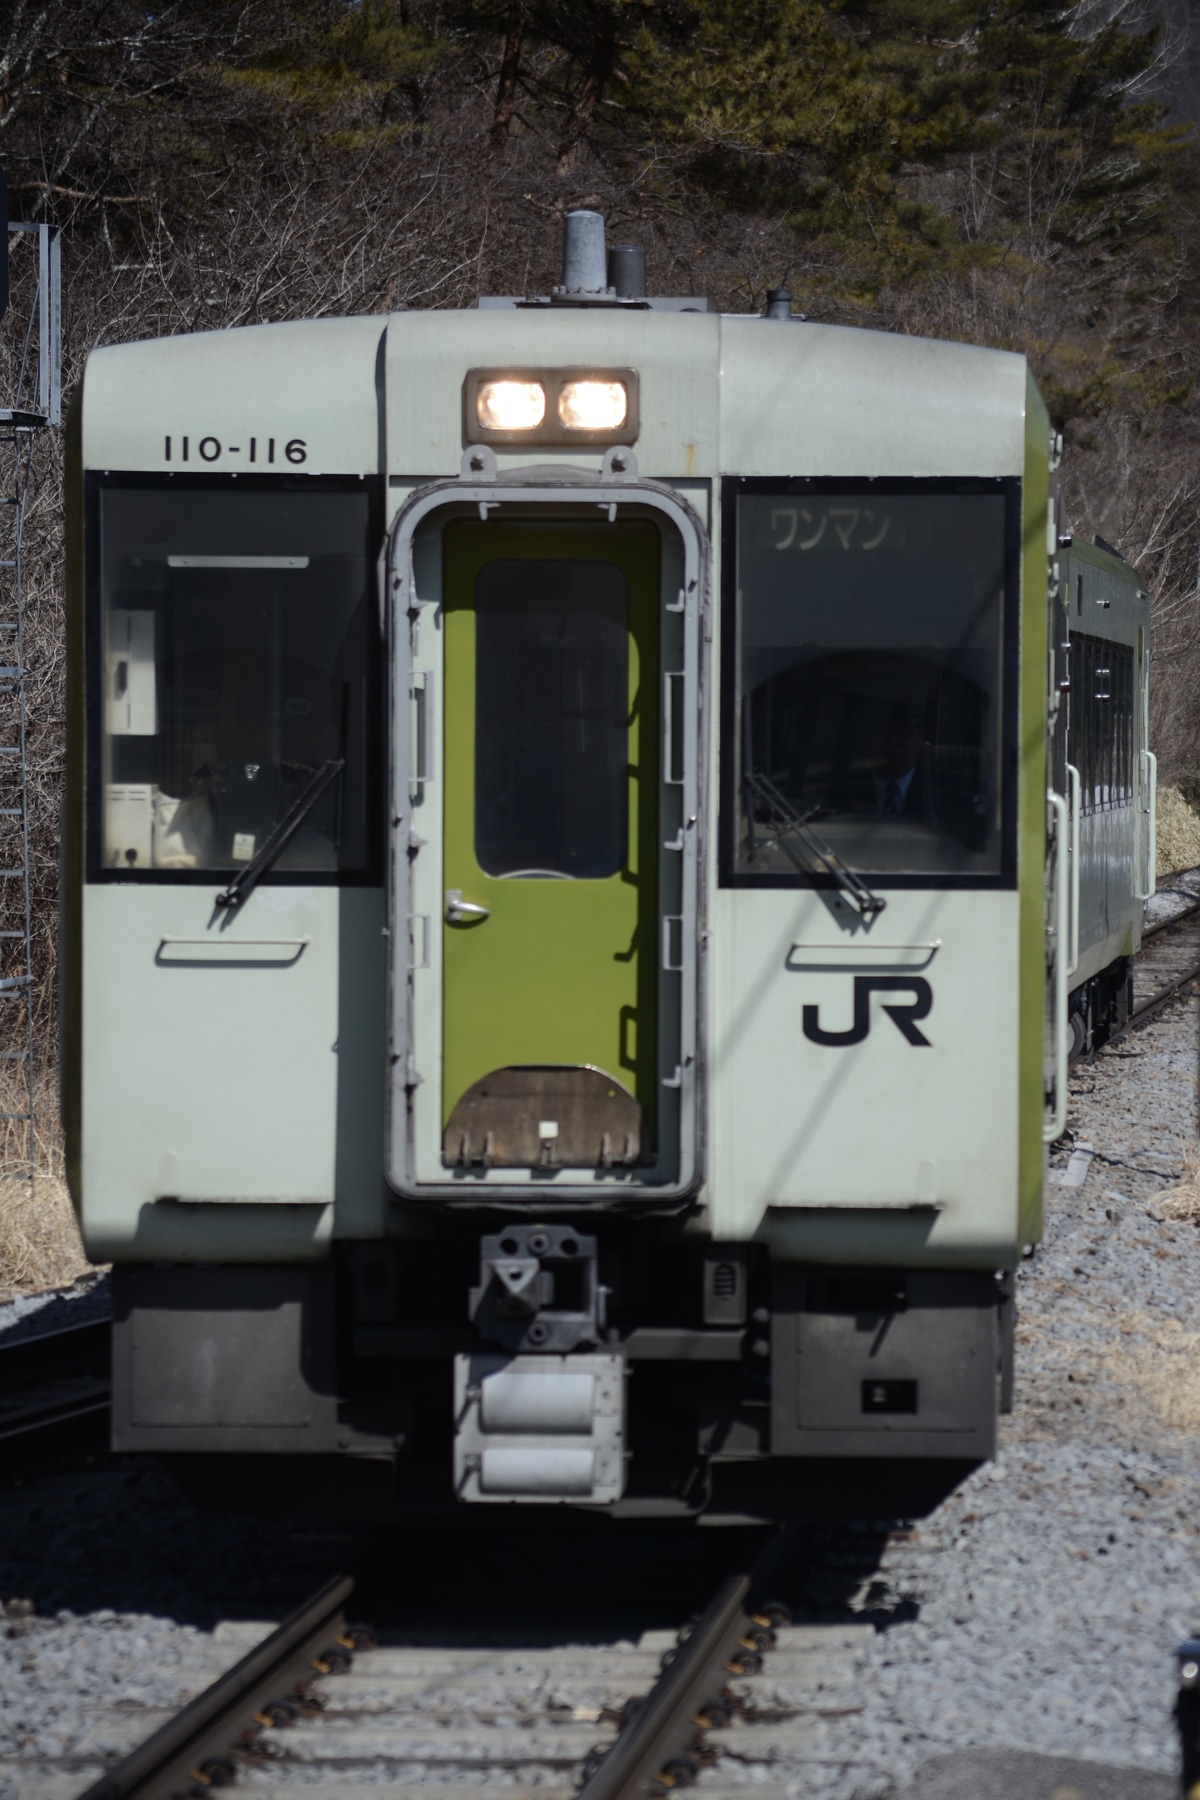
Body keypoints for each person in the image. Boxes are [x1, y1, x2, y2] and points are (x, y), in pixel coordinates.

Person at [872, 705, 929, 816]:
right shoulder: (848, 789)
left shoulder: (936, 792)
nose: (894, 741)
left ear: (920, 734)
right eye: (884, 731)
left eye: (904, 731)